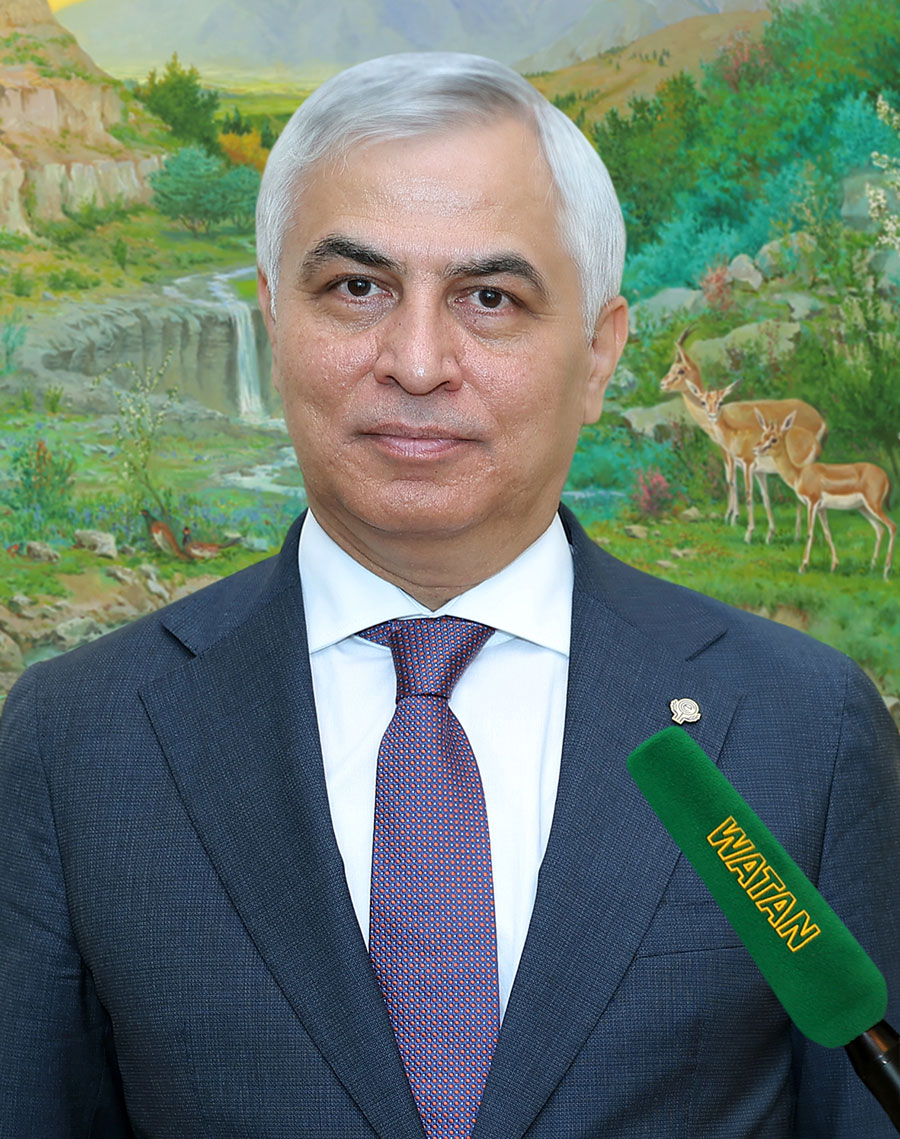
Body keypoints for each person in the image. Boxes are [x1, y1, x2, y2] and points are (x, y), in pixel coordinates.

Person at [1, 52, 898, 1139]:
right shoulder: (78, 740)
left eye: (489, 297)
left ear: (600, 352)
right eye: (357, 288)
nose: (418, 361)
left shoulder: (803, 727)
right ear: (275, 319)